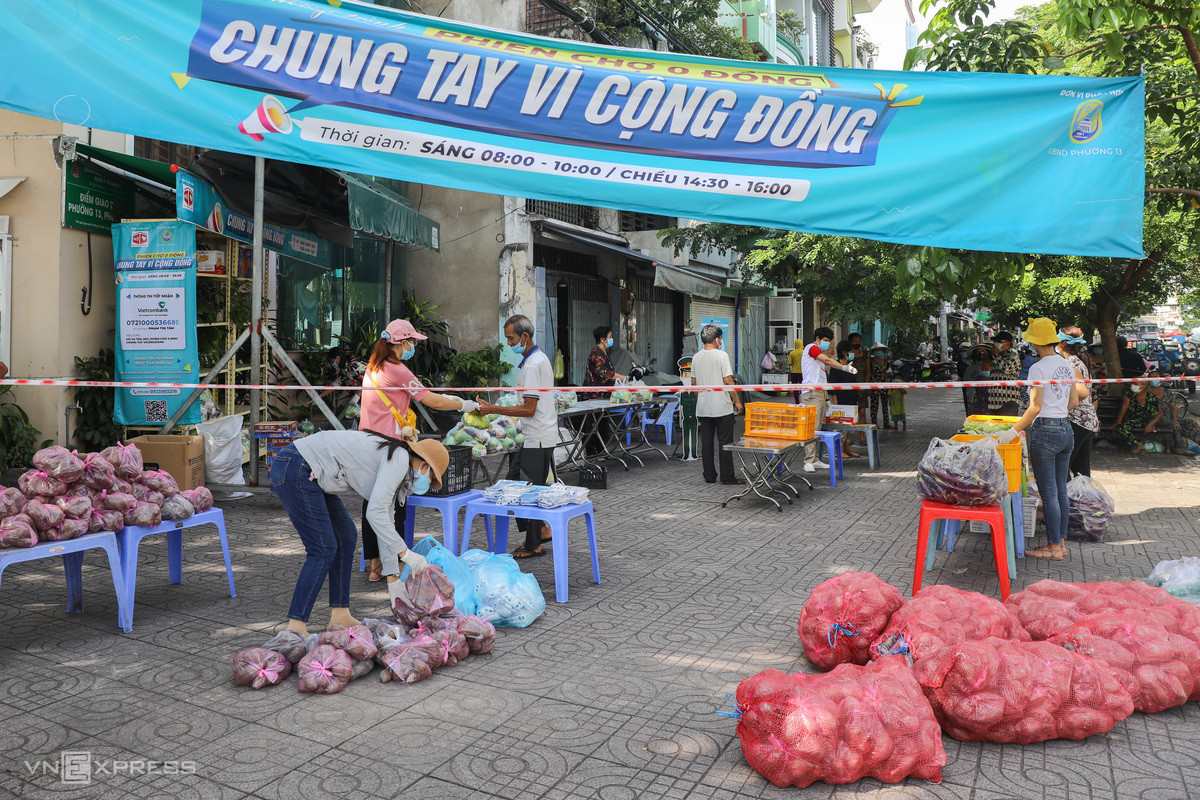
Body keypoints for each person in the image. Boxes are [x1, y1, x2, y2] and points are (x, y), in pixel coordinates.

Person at [272, 430, 447, 635]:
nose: (428, 482)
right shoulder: (399, 459)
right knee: (323, 547)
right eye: (431, 476)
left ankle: (340, 613)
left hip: (311, 470)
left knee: (346, 537)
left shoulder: (401, 468)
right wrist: (406, 554)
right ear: (424, 466)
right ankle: (296, 627)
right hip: (296, 465)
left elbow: (385, 521)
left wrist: (392, 578)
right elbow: (374, 514)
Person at [358, 319, 479, 582]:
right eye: (412, 341)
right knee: (395, 504)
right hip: (388, 447)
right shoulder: (398, 370)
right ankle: (396, 565)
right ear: (401, 343)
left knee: (372, 503)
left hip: (366, 443)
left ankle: (374, 566)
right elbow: (431, 400)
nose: (415, 346)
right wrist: (462, 404)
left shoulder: (374, 366)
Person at [999, 318, 1083, 560]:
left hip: (1045, 432)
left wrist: (1012, 431)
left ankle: (1054, 547)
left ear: (1035, 342)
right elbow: (1074, 402)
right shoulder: (1067, 365)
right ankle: (1061, 544)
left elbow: (1034, 407)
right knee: (1060, 492)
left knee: (1049, 493)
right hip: (1066, 430)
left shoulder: (1037, 368)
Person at [478, 315, 559, 559]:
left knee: (527, 491)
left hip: (539, 437)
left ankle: (533, 543)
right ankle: (541, 531)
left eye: (511, 338)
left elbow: (529, 408)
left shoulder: (534, 364)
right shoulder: (532, 360)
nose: (509, 343)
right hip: (533, 437)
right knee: (513, 485)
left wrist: (493, 409)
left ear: (525, 337)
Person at [690, 324, 743, 485]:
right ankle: (727, 476)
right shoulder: (722, 356)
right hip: (721, 406)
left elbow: (694, 385)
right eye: (720, 338)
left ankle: (709, 475)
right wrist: (737, 401)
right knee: (725, 442)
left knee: (706, 442)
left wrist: (702, 399)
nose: (721, 341)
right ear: (716, 339)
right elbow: (728, 381)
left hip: (703, 407)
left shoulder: (696, 357)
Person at [799, 327, 854, 473]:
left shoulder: (819, 356)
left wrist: (826, 398)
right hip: (811, 394)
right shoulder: (812, 349)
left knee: (816, 428)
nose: (827, 344)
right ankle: (808, 461)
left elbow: (822, 379)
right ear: (817, 339)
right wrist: (844, 368)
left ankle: (815, 459)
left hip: (819, 394)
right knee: (811, 428)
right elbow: (829, 360)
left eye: (829, 342)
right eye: (825, 341)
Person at [1057, 326, 1099, 477]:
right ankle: (1084, 499)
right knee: (1081, 471)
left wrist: (1061, 410)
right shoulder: (1078, 360)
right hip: (1087, 420)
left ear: (1062, 343)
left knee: (1061, 468)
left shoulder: (1070, 363)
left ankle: (1065, 499)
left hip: (1078, 420)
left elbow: (1082, 392)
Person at [580, 325, 625, 456]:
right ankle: (592, 453)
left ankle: (601, 451)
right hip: (593, 396)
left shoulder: (604, 352)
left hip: (603, 396)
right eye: (610, 337)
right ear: (603, 339)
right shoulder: (596, 353)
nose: (612, 339)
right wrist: (622, 377)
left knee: (603, 424)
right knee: (593, 425)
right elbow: (604, 373)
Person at [1107, 370, 1168, 451]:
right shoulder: (1129, 393)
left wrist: (1151, 424)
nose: (1134, 385)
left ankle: (1136, 446)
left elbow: (1160, 413)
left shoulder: (1151, 397)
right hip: (1131, 420)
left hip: (1146, 421)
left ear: (1143, 386)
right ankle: (1136, 444)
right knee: (1121, 428)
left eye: (1136, 384)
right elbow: (1124, 407)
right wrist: (1118, 422)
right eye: (1133, 383)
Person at [827, 341, 861, 458]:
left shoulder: (851, 366)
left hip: (851, 399)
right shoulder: (836, 367)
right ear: (844, 352)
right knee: (840, 427)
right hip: (841, 401)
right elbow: (832, 385)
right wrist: (835, 402)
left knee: (850, 428)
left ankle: (847, 448)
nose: (852, 353)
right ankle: (838, 450)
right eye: (850, 351)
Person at [988, 333, 1022, 416]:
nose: (996, 344)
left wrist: (995, 355)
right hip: (994, 401)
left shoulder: (1013, 356)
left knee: (1008, 427)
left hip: (1008, 400)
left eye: (999, 342)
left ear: (1008, 343)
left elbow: (1006, 369)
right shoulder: (996, 357)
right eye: (995, 342)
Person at [960, 342, 994, 416]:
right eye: (979, 352)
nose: (981, 354)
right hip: (973, 396)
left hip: (990, 396)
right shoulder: (971, 367)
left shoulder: (993, 366)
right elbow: (966, 379)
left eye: (983, 351)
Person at [787, 338, 805, 403]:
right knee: (803, 387)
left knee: (795, 388)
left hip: (794, 372)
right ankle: (803, 401)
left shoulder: (792, 353)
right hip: (802, 372)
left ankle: (797, 402)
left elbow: (789, 363)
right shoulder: (804, 352)